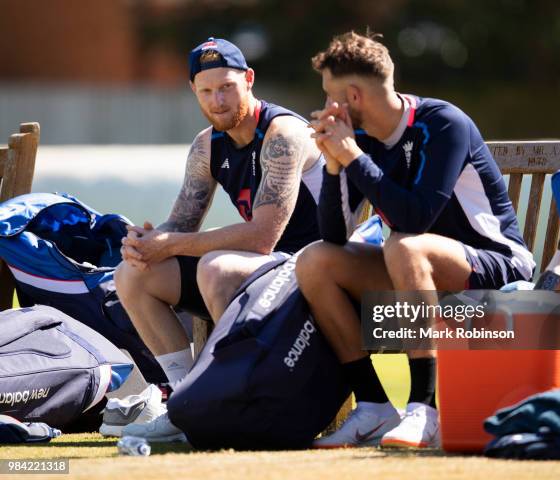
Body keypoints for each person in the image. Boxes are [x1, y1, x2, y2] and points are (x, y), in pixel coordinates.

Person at [296, 31, 535, 449]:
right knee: (315, 260)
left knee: (404, 244)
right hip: (417, 278)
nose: (327, 108)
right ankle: (372, 406)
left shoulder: (442, 124)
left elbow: (415, 217)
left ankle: (424, 408)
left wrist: (352, 156)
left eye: (331, 97)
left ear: (353, 96)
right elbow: (332, 237)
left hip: (496, 267)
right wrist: (335, 168)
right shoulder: (362, 140)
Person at [114, 37, 323, 441]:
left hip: (313, 271)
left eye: (227, 87)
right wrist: (144, 242)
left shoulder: (283, 133)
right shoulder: (206, 145)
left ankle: (237, 401)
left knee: (218, 267)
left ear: (249, 79)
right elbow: (180, 225)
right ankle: (188, 403)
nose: (218, 100)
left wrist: (169, 243)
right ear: (194, 90)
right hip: (262, 272)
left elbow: (263, 236)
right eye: (207, 91)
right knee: (133, 274)